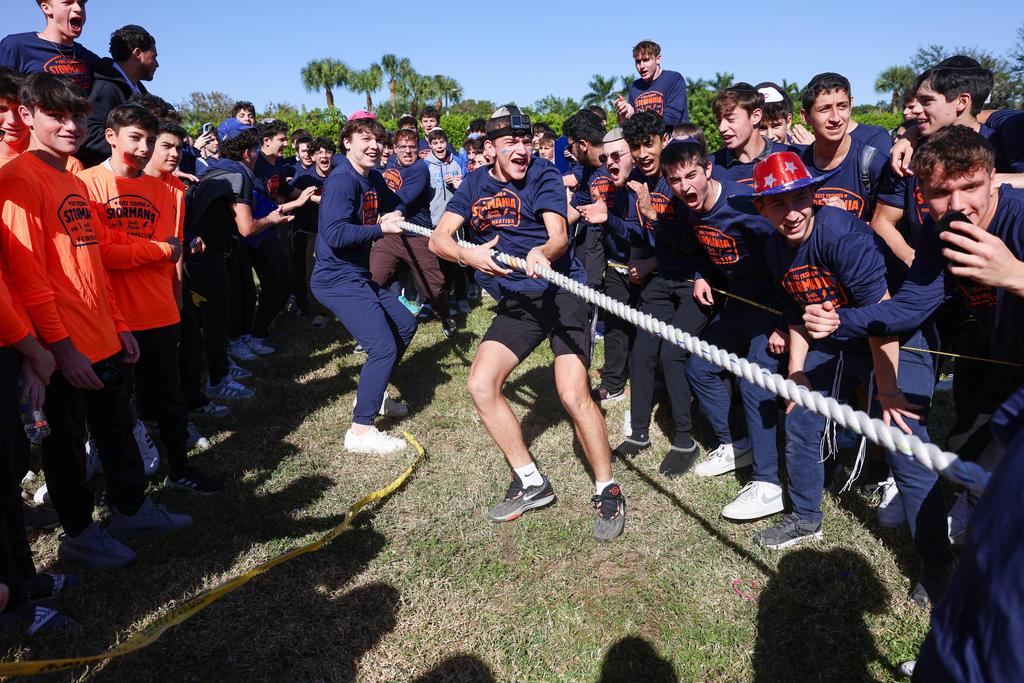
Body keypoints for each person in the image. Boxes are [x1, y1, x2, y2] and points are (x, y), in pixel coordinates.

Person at [0, 73, 192, 570]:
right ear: (27, 116)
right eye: (56, 116)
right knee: (66, 445)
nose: (70, 126)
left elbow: (92, 263)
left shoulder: (73, 177)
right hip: (63, 345)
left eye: (77, 116)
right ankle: (81, 534)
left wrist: (119, 322)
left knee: (117, 428)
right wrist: (60, 348)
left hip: (102, 334)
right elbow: (29, 277)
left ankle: (131, 509)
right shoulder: (19, 180)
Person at [747, 151, 955, 604]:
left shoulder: (840, 234)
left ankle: (938, 564)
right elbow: (798, 313)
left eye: (800, 198)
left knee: (904, 440)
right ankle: (806, 518)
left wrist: (888, 390)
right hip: (839, 337)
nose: (792, 212)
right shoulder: (774, 247)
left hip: (897, 335)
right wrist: (797, 373)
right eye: (778, 203)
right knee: (800, 416)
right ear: (761, 208)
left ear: (813, 196)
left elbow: (882, 317)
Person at [428, 105, 626, 542]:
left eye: (525, 141)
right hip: (520, 299)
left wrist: (544, 252)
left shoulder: (543, 174)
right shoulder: (474, 184)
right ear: (490, 148)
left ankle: (607, 487)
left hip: (562, 291)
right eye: (509, 143)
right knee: (481, 384)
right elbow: (439, 239)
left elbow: (558, 235)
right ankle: (531, 482)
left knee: (572, 393)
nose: (520, 150)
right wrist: (467, 254)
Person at [77, 104, 222, 494]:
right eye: (136, 138)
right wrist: (155, 250)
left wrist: (175, 299)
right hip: (110, 316)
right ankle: (123, 487)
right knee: (115, 407)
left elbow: (173, 254)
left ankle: (179, 469)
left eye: (150, 140)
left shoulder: (168, 192)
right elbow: (102, 253)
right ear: (111, 136)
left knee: (171, 399)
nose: (144, 148)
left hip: (160, 311)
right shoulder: (85, 184)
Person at [669, 142, 788, 517]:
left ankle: (768, 484)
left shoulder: (744, 206)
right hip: (739, 304)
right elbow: (707, 250)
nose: (685, 186)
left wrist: (787, 322)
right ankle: (737, 444)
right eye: (676, 180)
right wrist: (702, 274)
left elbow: (790, 257)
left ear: (708, 170)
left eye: (691, 175)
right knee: (699, 366)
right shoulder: (689, 209)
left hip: (776, 308)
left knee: (754, 383)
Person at [611, 112, 711, 477]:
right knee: (641, 351)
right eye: (635, 146)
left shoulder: (679, 180)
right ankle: (638, 433)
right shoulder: (640, 181)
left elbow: (694, 242)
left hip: (695, 281)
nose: (642, 153)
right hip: (662, 278)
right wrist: (641, 259)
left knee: (671, 352)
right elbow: (642, 234)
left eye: (648, 144)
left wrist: (653, 215)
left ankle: (684, 440)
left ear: (663, 141)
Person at [311, 113, 415, 455]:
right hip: (335, 278)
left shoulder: (372, 178)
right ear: (347, 142)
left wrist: (395, 212)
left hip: (356, 274)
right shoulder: (343, 180)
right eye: (365, 139)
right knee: (382, 347)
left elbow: (394, 203)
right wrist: (380, 228)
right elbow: (335, 234)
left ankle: (375, 392)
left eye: (378, 140)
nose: (374, 146)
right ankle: (360, 431)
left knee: (405, 323)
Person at [372, 127, 453, 336]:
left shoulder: (420, 169)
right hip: (391, 236)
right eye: (403, 147)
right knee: (372, 280)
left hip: (417, 235)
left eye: (412, 147)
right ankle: (371, 329)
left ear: (418, 148)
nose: (408, 151)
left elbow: (405, 196)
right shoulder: (389, 167)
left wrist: (391, 210)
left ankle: (445, 317)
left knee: (433, 287)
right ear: (395, 148)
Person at [798, 72, 889, 221]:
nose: (836, 118)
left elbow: (886, 225)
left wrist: (846, 222)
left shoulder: (874, 164)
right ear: (806, 117)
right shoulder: (797, 167)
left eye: (842, 106)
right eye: (824, 109)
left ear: (850, 107)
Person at [78, 25, 158, 168]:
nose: (157, 64)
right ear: (137, 53)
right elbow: (89, 136)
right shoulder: (105, 88)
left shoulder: (139, 90)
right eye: (154, 56)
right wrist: (133, 152)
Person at [0, 0, 99, 92]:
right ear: (46, 8)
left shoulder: (89, 58)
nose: (78, 9)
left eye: (81, 4)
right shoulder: (16, 46)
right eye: (67, 3)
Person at [711, 83, 797, 187]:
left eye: (731, 119)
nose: (722, 128)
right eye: (719, 121)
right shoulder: (710, 167)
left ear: (756, 116)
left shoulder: (793, 157)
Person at [0, 66, 82, 173]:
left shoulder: (68, 166)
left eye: (18, 111)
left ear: (27, 113)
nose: (12, 121)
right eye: (1, 110)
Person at [615, 40, 688, 128]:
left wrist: (634, 117)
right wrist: (624, 117)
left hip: (672, 136)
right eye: (638, 61)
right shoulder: (635, 87)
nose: (642, 66)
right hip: (643, 137)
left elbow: (672, 119)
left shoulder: (674, 79)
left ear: (658, 59)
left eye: (646, 60)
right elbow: (632, 128)